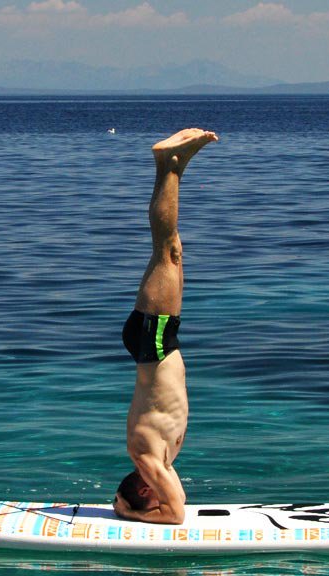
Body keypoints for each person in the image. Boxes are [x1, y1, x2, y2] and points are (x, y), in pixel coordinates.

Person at [112, 128, 218, 525]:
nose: (163, 493)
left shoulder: (148, 463)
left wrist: (132, 516)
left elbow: (175, 517)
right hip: (153, 345)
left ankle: (165, 163)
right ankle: (176, 165)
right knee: (172, 250)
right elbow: (172, 504)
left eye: (150, 499)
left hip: (153, 345)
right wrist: (133, 507)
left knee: (167, 249)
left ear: (144, 489)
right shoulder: (156, 462)